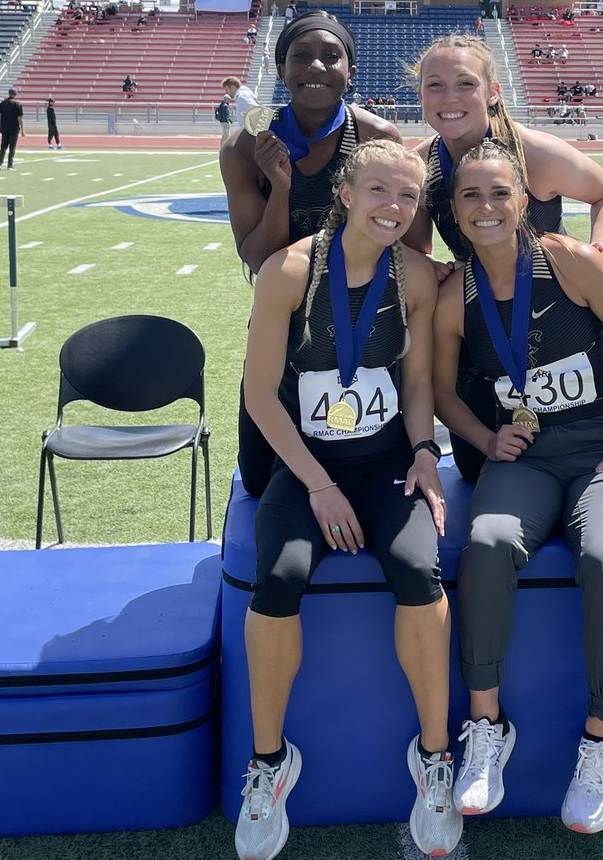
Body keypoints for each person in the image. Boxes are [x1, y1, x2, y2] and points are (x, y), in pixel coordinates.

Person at [237, 140, 462, 860]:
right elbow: (259, 397)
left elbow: (418, 382)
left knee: (418, 570)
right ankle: (269, 764)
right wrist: (319, 485)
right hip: (308, 464)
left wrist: (424, 451)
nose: (393, 207)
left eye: (407, 196)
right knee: (279, 578)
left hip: (386, 462)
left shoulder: (415, 275)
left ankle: (434, 760)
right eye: (378, 190)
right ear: (345, 192)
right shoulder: (289, 271)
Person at [432, 140, 603, 835]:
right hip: (523, 459)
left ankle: (600, 741)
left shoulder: (571, 261)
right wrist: (483, 439)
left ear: (524, 200)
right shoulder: (454, 294)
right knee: (487, 544)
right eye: (471, 196)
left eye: (499, 192)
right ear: (454, 211)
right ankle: (487, 728)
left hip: (598, 450)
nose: (487, 207)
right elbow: (441, 392)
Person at [404, 33, 603, 484]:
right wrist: (431, 269)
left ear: (492, 92)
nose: (450, 98)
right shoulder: (420, 165)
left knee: (573, 442)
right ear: (421, 95)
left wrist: (598, 248)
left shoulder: (532, 152)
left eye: (465, 84)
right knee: (478, 464)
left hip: (557, 305)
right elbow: (415, 250)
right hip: (482, 313)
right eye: (435, 85)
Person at [220, 11, 400, 497]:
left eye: (331, 56)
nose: (316, 66)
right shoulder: (245, 145)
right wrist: (281, 187)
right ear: (281, 70)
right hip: (283, 319)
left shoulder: (377, 138)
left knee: (376, 468)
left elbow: (402, 241)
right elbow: (260, 259)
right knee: (259, 478)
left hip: (365, 317)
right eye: (301, 56)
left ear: (351, 71)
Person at [0, 88, 24, 170]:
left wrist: (0, 126)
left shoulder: (2, 103)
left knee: (3, 147)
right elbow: (20, 118)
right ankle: (10, 165)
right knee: (12, 147)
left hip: (4, 128)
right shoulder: (18, 104)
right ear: (15, 94)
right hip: (14, 128)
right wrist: (22, 130)